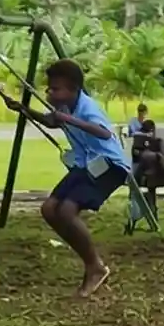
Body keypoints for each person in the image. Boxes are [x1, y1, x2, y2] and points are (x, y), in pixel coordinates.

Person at [11, 59, 124, 295]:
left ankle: (95, 267)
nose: (50, 93)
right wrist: (23, 109)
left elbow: (104, 133)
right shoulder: (63, 107)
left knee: (66, 211)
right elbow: (52, 122)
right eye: (49, 88)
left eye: (56, 89)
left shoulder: (88, 108)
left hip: (109, 167)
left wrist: (69, 120)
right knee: (49, 209)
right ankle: (89, 259)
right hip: (85, 165)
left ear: (74, 90)